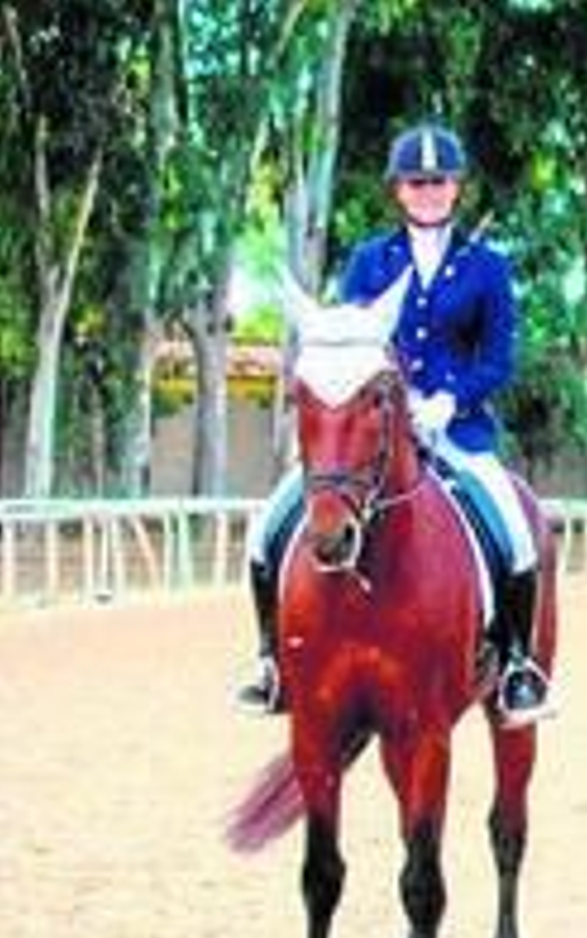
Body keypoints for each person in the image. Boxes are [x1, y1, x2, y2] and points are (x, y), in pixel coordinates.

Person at [236, 121, 553, 727]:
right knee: (267, 527)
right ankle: (272, 661)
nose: (428, 192)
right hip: (372, 433)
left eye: (439, 181)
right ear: (398, 190)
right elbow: (351, 342)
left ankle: (516, 665)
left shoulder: (486, 268)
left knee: (515, 534)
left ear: (456, 188)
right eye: (416, 182)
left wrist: (448, 401)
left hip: (458, 433)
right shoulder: (369, 261)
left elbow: (497, 360)